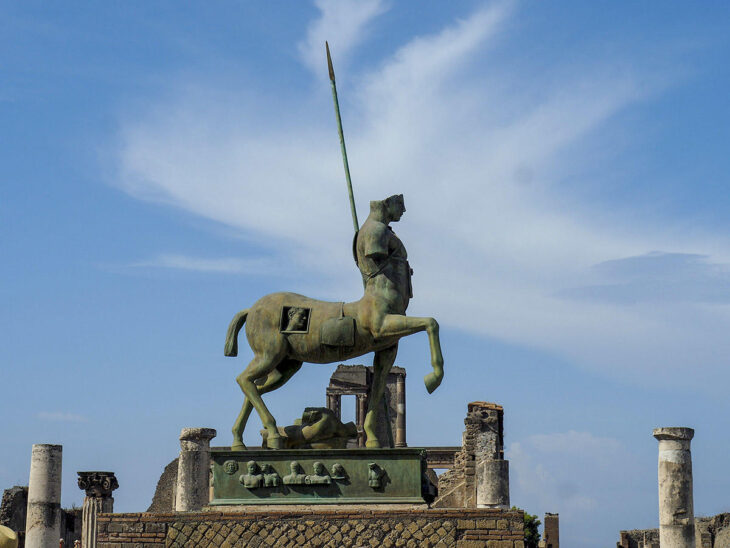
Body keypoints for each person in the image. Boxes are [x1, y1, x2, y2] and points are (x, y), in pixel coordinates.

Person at [355, 194, 413, 312]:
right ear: (387, 203)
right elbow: (376, 254)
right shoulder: (376, 230)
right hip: (383, 303)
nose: (404, 210)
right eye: (399, 204)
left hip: (391, 302)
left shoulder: (382, 229)